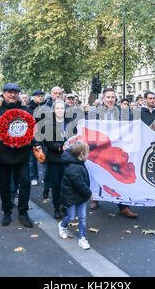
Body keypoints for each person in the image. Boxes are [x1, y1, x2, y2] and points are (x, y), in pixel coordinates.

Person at [0, 83, 40, 228]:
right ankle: (7, 211)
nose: (12, 95)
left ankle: (23, 212)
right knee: (4, 185)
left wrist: (36, 144)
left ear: (18, 94)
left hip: (22, 154)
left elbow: (31, 130)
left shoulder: (25, 109)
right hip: (2, 154)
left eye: (15, 92)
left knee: (25, 183)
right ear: (3, 93)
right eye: (9, 92)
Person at [88, 87, 138, 218]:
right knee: (97, 173)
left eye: (112, 97)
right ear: (103, 99)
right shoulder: (94, 113)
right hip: (100, 149)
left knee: (118, 176)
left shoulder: (123, 112)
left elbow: (131, 128)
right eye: (108, 97)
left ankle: (123, 206)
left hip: (117, 150)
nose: (110, 99)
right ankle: (95, 198)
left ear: (116, 98)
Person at [43, 99, 76, 219]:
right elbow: (47, 141)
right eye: (57, 108)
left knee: (67, 184)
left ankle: (65, 205)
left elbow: (75, 136)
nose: (60, 110)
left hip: (68, 158)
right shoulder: (48, 123)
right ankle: (56, 206)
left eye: (62, 108)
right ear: (53, 110)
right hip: (55, 159)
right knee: (56, 185)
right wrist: (60, 147)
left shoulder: (70, 122)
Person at [58, 141, 92, 250]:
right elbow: (80, 185)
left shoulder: (78, 163)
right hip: (71, 197)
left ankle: (82, 238)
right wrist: (89, 194)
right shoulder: (74, 168)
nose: (88, 155)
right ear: (81, 154)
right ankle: (62, 226)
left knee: (82, 217)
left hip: (80, 197)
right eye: (87, 153)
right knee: (71, 217)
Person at [28, 90, 45, 186]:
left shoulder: (45, 107)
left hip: (44, 135)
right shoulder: (29, 108)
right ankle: (33, 177)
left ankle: (45, 178)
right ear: (33, 97)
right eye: (38, 96)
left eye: (41, 96)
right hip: (33, 136)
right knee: (32, 159)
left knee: (44, 157)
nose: (40, 97)